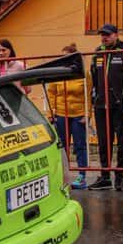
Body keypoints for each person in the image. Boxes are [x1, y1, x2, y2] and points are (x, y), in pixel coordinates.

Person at [87, 24, 123, 191]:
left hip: (120, 106)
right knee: (104, 142)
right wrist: (93, 103)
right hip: (101, 106)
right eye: (102, 35)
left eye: (107, 35)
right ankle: (105, 176)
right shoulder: (98, 52)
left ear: (116, 35)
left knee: (122, 142)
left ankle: (119, 176)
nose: (104, 38)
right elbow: (94, 79)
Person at [46, 44, 88, 189]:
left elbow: (89, 94)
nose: (63, 60)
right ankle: (62, 175)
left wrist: (88, 115)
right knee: (62, 146)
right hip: (61, 114)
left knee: (80, 145)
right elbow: (51, 93)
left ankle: (82, 175)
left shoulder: (83, 74)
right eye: (62, 57)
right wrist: (51, 113)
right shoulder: (57, 73)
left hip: (78, 114)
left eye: (67, 57)